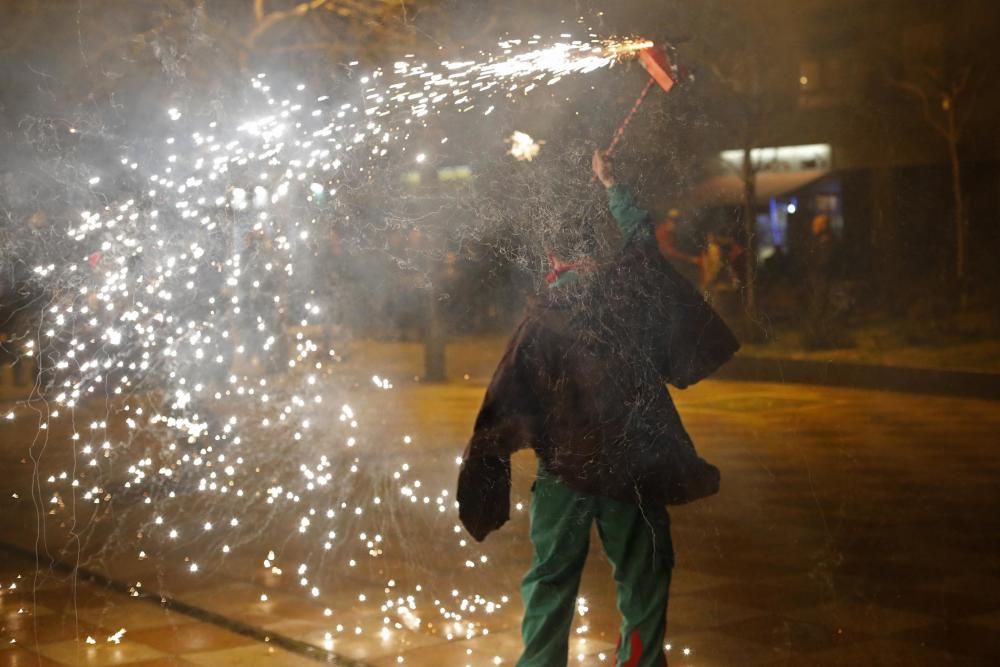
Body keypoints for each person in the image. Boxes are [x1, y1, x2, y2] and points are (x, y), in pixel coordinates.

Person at [458, 151, 739, 667]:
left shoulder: (540, 320)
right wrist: (613, 185)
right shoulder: (629, 293)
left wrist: (485, 470)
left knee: (551, 579)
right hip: (630, 471)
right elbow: (641, 243)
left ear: (551, 257)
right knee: (645, 574)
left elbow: (502, 405)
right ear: (594, 249)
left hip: (563, 475)